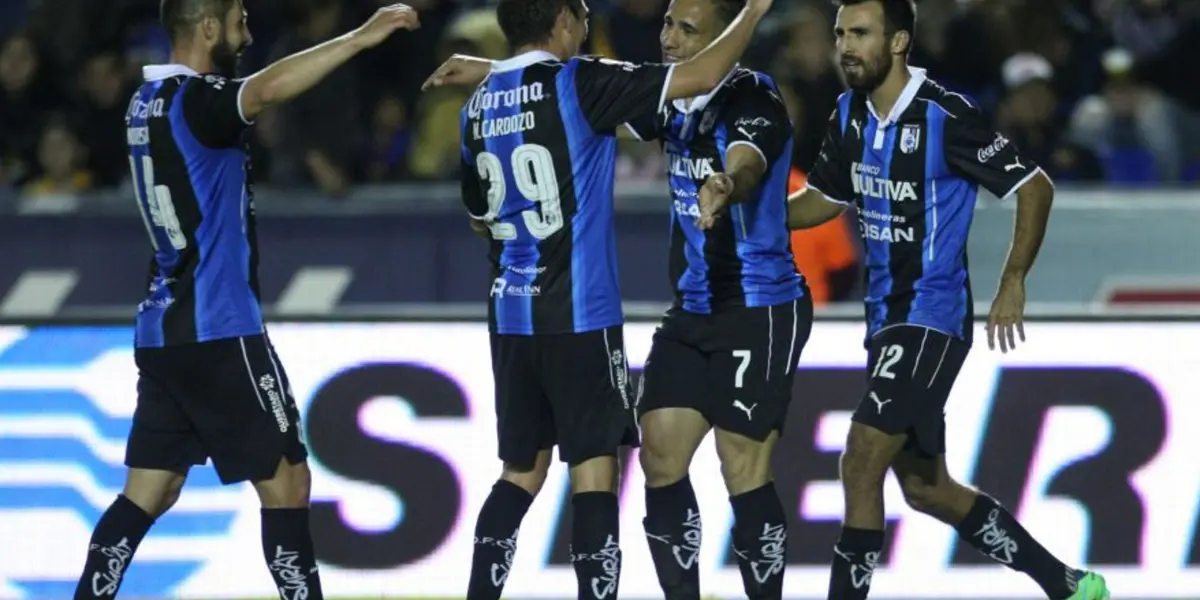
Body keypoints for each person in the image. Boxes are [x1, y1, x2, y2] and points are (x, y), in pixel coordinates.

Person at [743, 1, 1111, 599]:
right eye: (839, 34)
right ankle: (1067, 584)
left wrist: (1013, 279)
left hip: (932, 315)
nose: (845, 46)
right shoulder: (848, 113)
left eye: (859, 33)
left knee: (860, 459)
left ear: (897, 42)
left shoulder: (946, 114)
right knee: (925, 487)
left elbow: (1034, 186)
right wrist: (758, 218)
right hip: (886, 319)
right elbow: (827, 200)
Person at [69, 2, 420, 599]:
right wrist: (361, 38)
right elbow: (263, 92)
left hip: (163, 329)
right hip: (219, 327)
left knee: (149, 491)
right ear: (208, 27)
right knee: (287, 483)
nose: (248, 33)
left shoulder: (140, 104)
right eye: (238, 21)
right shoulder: (197, 100)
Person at [425, 0, 772, 597]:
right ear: (562, 19)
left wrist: (488, 69)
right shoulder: (583, 82)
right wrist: (756, 9)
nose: (587, 26)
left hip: (509, 311)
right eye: (582, 14)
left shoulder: (477, 106)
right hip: (580, 314)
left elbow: (479, 218)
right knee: (595, 471)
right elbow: (705, 76)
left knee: (520, 472)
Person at [621, 0, 811, 598]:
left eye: (687, 29)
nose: (670, 39)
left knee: (741, 467)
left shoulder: (754, 97)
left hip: (761, 306)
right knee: (660, 454)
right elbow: (588, 91)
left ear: (727, 37)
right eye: (668, 24)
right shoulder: (666, 96)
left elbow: (748, 160)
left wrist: (726, 183)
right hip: (693, 309)